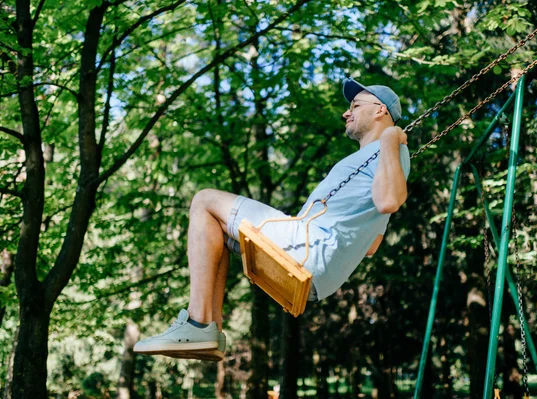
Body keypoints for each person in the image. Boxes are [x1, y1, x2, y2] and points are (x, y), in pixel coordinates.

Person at [133, 77, 411, 361]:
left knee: (204, 200)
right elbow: (372, 244)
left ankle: (197, 323)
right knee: (216, 226)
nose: (346, 112)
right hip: (318, 272)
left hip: (309, 251)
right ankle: (209, 331)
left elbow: (390, 201)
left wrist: (390, 139)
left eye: (355, 104)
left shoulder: (390, 149)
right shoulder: (376, 160)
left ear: (380, 110)